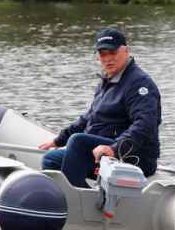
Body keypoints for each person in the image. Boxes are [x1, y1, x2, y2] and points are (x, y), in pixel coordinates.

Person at [39, 28, 162, 188]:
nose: (108, 59)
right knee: (51, 159)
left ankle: (79, 202)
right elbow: (89, 117)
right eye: (103, 54)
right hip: (100, 153)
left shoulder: (140, 84)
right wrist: (59, 140)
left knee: (78, 141)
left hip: (133, 156)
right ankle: (85, 198)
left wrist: (115, 148)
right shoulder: (107, 80)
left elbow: (145, 125)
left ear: (125, 51)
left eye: (112, 52)